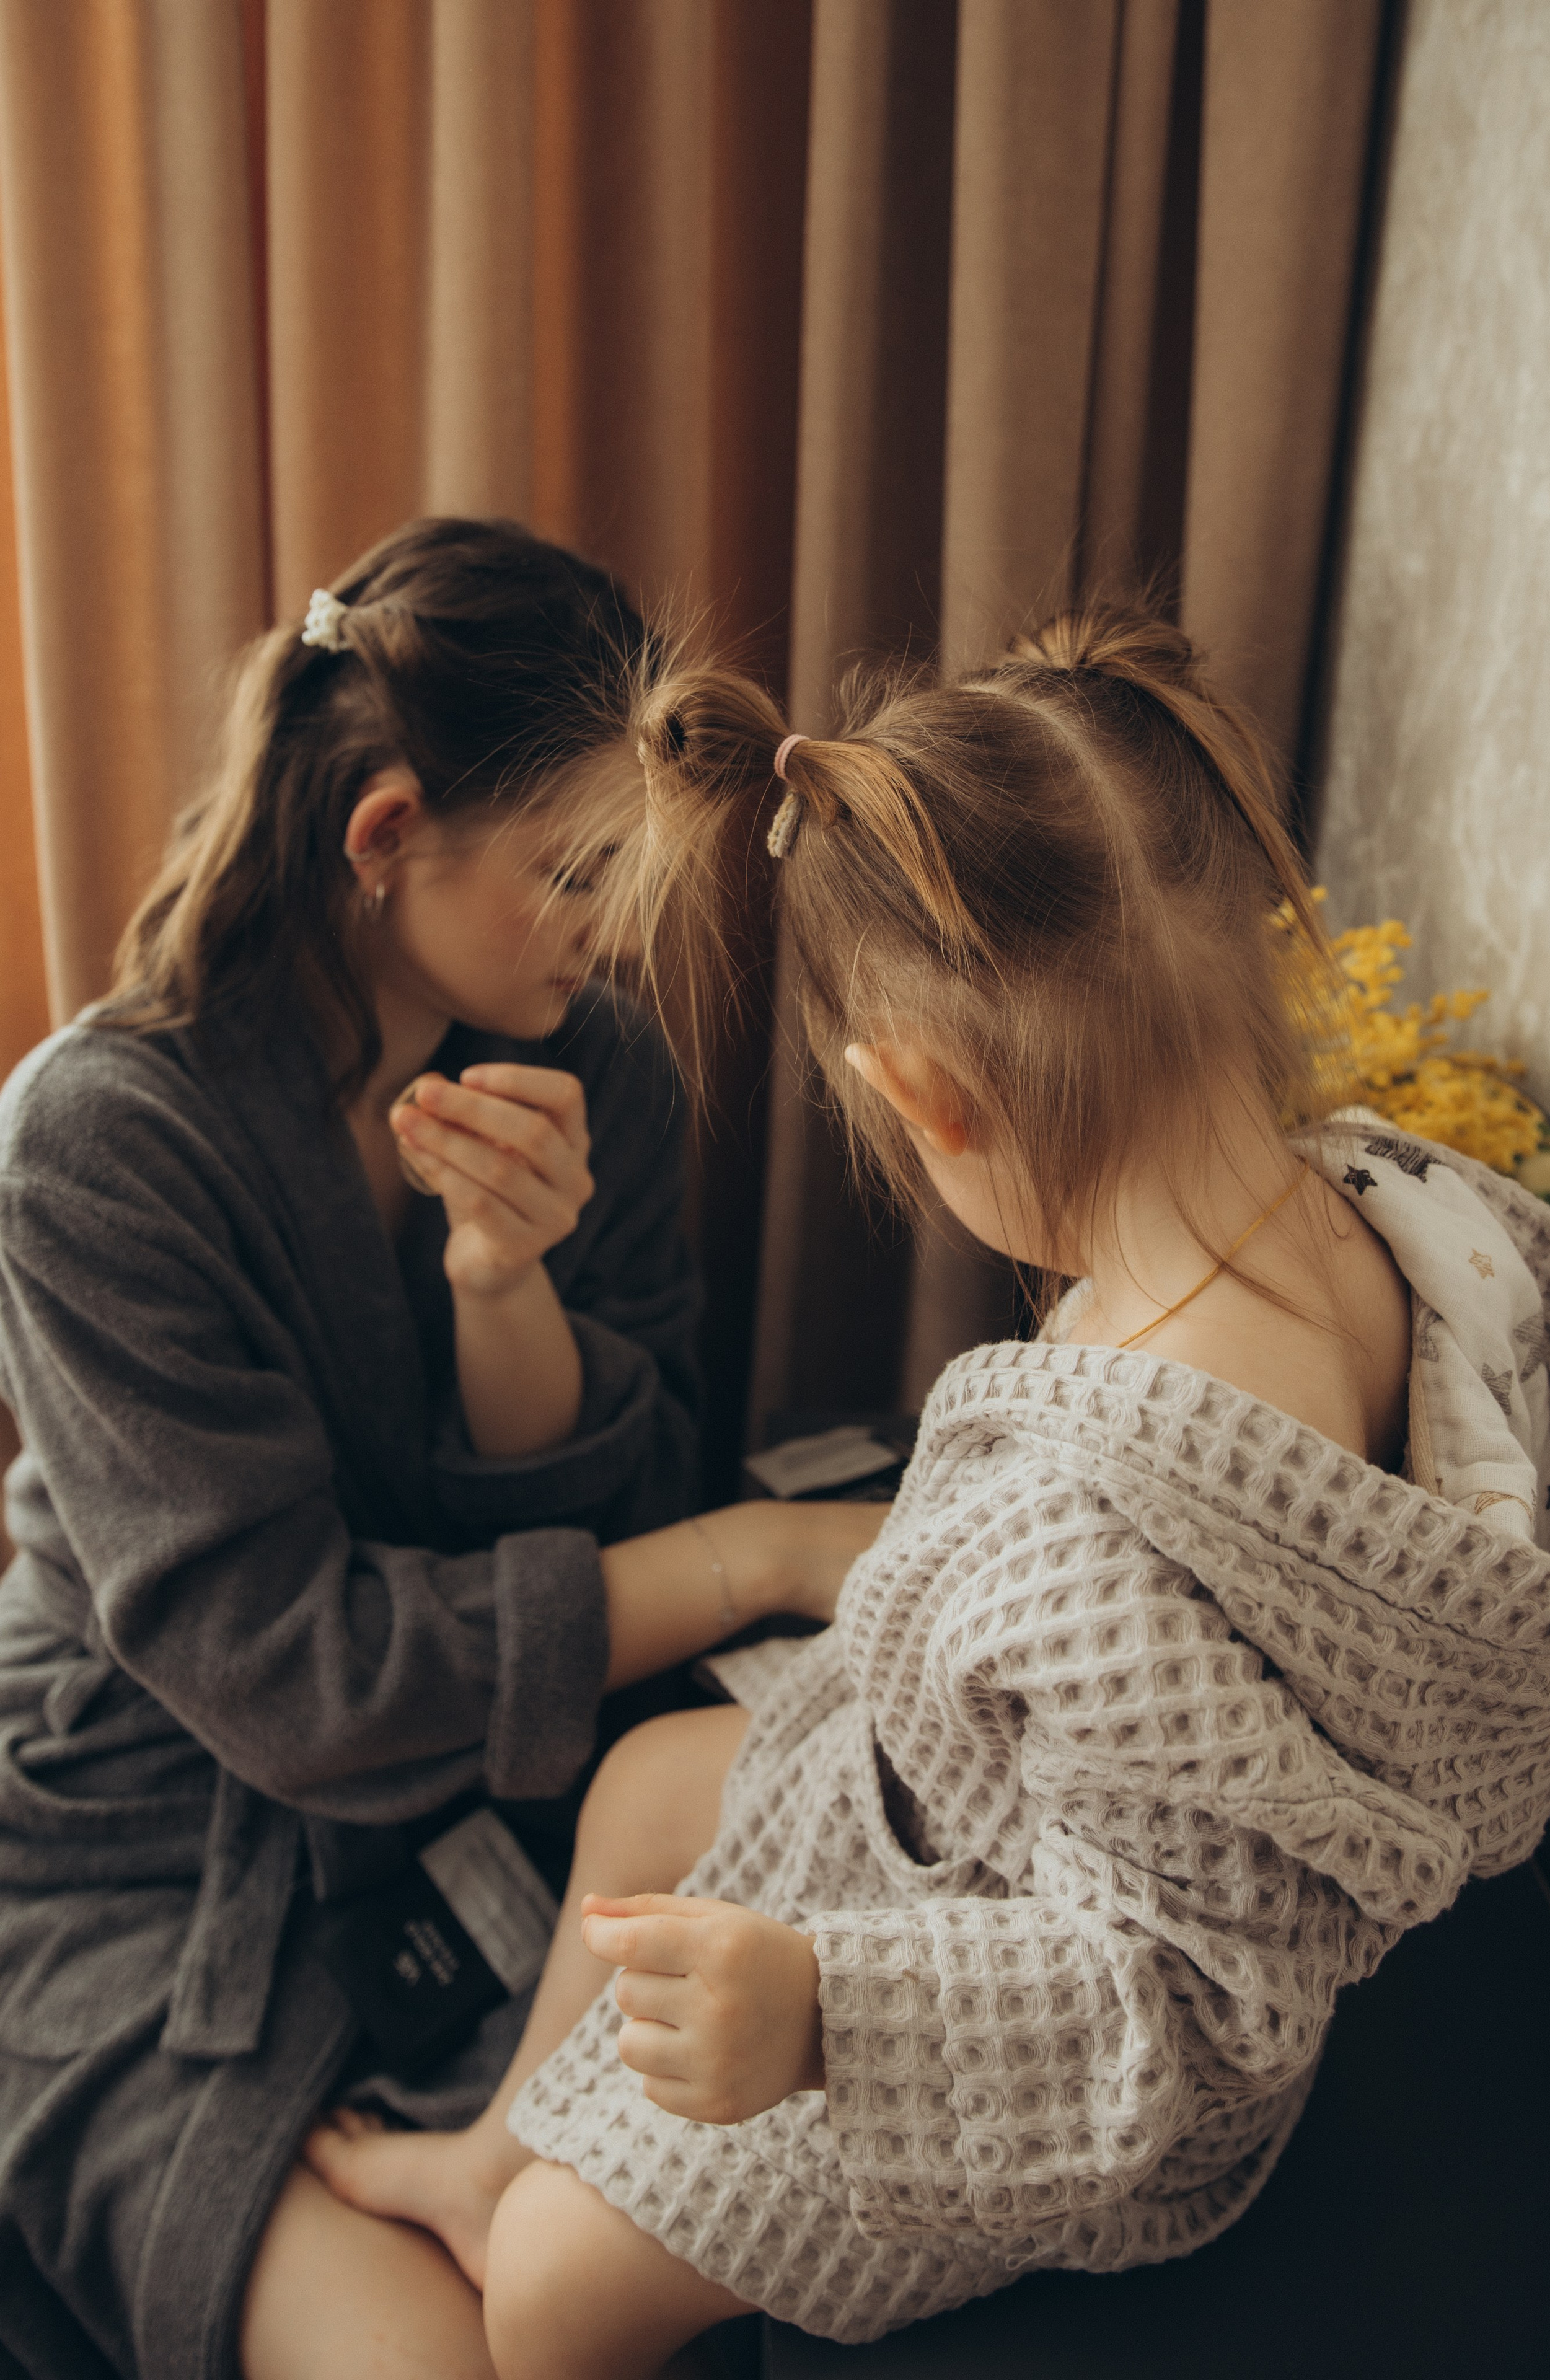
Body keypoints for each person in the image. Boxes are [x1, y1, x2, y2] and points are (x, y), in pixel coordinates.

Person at [310, 599, 1550, 2378]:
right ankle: (489, 2147)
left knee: (543, 2290)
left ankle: (521, 2206)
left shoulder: (1098, 1534)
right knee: (646, 1791)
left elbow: (1175, 2008)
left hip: (1026, 2052)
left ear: (916, 1094)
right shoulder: (1423, 1210)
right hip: (988, 1813)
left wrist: (824, 2014)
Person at [0, 516, 881, 2380]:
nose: (614, 927)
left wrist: (504, 1291)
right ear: (386, 836)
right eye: (575, 873)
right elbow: (299, 1682)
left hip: (484, 1832)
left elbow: (617, 1508)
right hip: (153, 1861)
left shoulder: (603, 1071)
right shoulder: (99, 1146)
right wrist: (773, 1557)